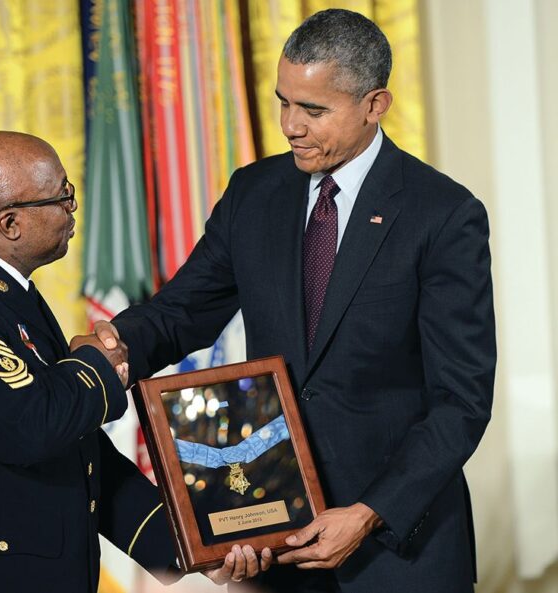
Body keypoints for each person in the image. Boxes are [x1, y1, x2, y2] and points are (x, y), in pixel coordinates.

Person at [86, 9, 495, 593]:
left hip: (400, 550)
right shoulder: (254, 193)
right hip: (275, 538)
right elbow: (181, 313)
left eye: (313, 110)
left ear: (375, 104)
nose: (290, 126)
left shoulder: (443, 214)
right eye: (283, 102)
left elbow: (461, 402)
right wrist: (109, 350)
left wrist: (368, 513)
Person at [0, 131, 269, 592]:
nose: (72, 210)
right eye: (62, 197)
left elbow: (79, 454)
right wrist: (97, 361)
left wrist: (191, 546)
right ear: (10, 223)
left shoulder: (5, 294)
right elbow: (33, 425)